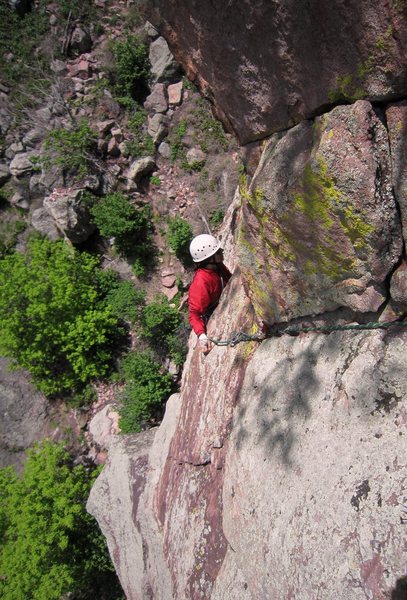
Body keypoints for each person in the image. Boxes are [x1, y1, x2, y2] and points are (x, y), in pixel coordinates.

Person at [188, 234, 232, 353]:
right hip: (211, 313)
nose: (222, 251)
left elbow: (230, 279)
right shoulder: (200, 283)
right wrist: (202, 335)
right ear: (209, 258)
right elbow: (194, 314)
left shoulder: (217, 266)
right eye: (218, 252)